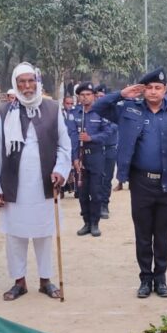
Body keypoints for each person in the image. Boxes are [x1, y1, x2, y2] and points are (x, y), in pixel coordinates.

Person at [94, 68, 167, 298]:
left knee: (163, 235)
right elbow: (98, 107)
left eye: (158, 88)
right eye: (149, 88)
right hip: (141, 183)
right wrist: (121, 94)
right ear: (142, 90)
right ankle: (146, 279)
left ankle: (161, 278)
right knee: (143, 234)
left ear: (165, 90)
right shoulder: (129, 110)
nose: (153, 92)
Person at [0, 62, 72, 302]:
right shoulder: (5, 111)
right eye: (22, 82)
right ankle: (19, 282)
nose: (27, 86)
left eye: (30, 81)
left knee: (44, 233)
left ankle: (45, 280)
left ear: (37, 82)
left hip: (44, 182)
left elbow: (64, 145)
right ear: (15, 85)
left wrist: (60, 171)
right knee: (15, 235)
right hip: (14, 183)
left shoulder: (52, 108)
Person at [68, 82, 110, 238]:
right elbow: (72, 136)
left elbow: (108, 133)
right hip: (80, 157)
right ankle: (86, 222)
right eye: (82, 95)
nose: (85, 98)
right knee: (82, 192)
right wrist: (74, 158)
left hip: (96, 155)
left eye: (88, 95)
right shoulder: (74, 113)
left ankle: (95, 223)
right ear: (78, 97)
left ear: (94, 96)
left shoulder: (101, 112)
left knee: (96, 191)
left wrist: (91, 138)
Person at [94, 84, 117, 219]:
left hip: (109, 148)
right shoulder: (91, 111)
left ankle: (104, 205)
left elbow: (115, 125)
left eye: (102, 97)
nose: (99, 99)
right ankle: (94, 205)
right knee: (95, 178)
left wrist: (103, 128)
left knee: (107, 178)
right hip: (95, 149)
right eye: (97, 96)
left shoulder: (113, 111)